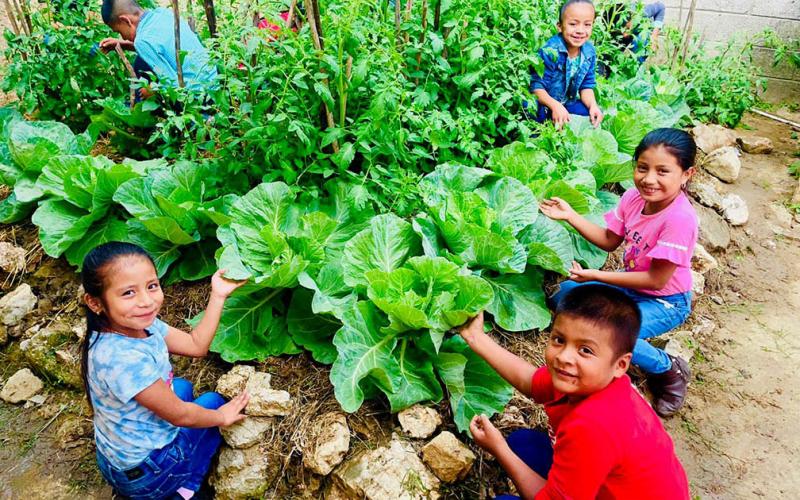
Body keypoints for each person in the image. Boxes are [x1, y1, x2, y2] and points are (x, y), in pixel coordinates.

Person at [460, 285, 690, 499]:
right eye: (559, 340)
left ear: (621, 365)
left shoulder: (594, 426)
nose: (564, 357)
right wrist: (476, 338)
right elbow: (530, 380)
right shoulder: (591, 380)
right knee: (524, 443)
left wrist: (498, 448)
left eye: (585, 350)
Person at [540, 128, 698, 417]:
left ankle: (669, 369)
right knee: (564, 297)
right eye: (642, 168)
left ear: (687, 174)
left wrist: (597, 276)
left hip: (665, 300)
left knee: (620, 339)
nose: (649, 179)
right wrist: (571, 216)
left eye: (663, 171)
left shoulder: (679, 219)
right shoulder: (634, 199)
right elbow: (609, 240)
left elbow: (656, 279)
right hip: (630, 288)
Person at [80, 242, 248, 499]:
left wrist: (218, 295)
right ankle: (186, 489)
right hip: (149, 472)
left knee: (181, 387)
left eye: (152, 286)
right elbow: (181, 416)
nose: (146, 301)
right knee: (213, 403)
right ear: (95, 303)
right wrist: (222, 416)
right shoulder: (122, 358)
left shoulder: (139, 325)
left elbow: (196, 345)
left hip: (122, 456)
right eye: (128, 293)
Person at [98, 0, 218, 93]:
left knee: (141, 65)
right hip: (213, 84)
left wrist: (153, 90)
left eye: (119, 31)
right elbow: (159, 46)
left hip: (198, 95)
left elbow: (172, 85)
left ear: (126, 21)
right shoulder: (162, 13)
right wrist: (123, 45)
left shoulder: (142, 42)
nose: (122, 37)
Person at [529, 0, 603, 129]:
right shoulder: (550, 51)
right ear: (560, 26)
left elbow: (586, 86)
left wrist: (593, 105)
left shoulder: (589, 52)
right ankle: (538, 136)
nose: (580, 30)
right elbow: (536, 88)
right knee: (529, 107)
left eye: (587, 24)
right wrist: (555, 106)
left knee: (589, 114)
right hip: (545, 103)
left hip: (566, 103)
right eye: (573, 24)